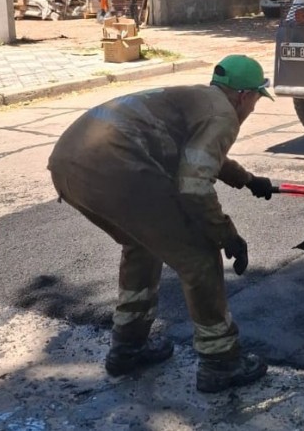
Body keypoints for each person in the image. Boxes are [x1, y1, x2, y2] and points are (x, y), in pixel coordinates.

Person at [47, 54, 275, 393]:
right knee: (198, 254)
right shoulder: (224, 114)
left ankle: (128, 346)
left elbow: (201, 155)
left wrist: (247, 179)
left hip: (68, 166)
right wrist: (226, 234)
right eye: (256, 99)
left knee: (142, 244)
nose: (254, 107)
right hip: (117, 170)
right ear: (244, 95)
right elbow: (195, 184)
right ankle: (221, 363)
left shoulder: (199, 99)